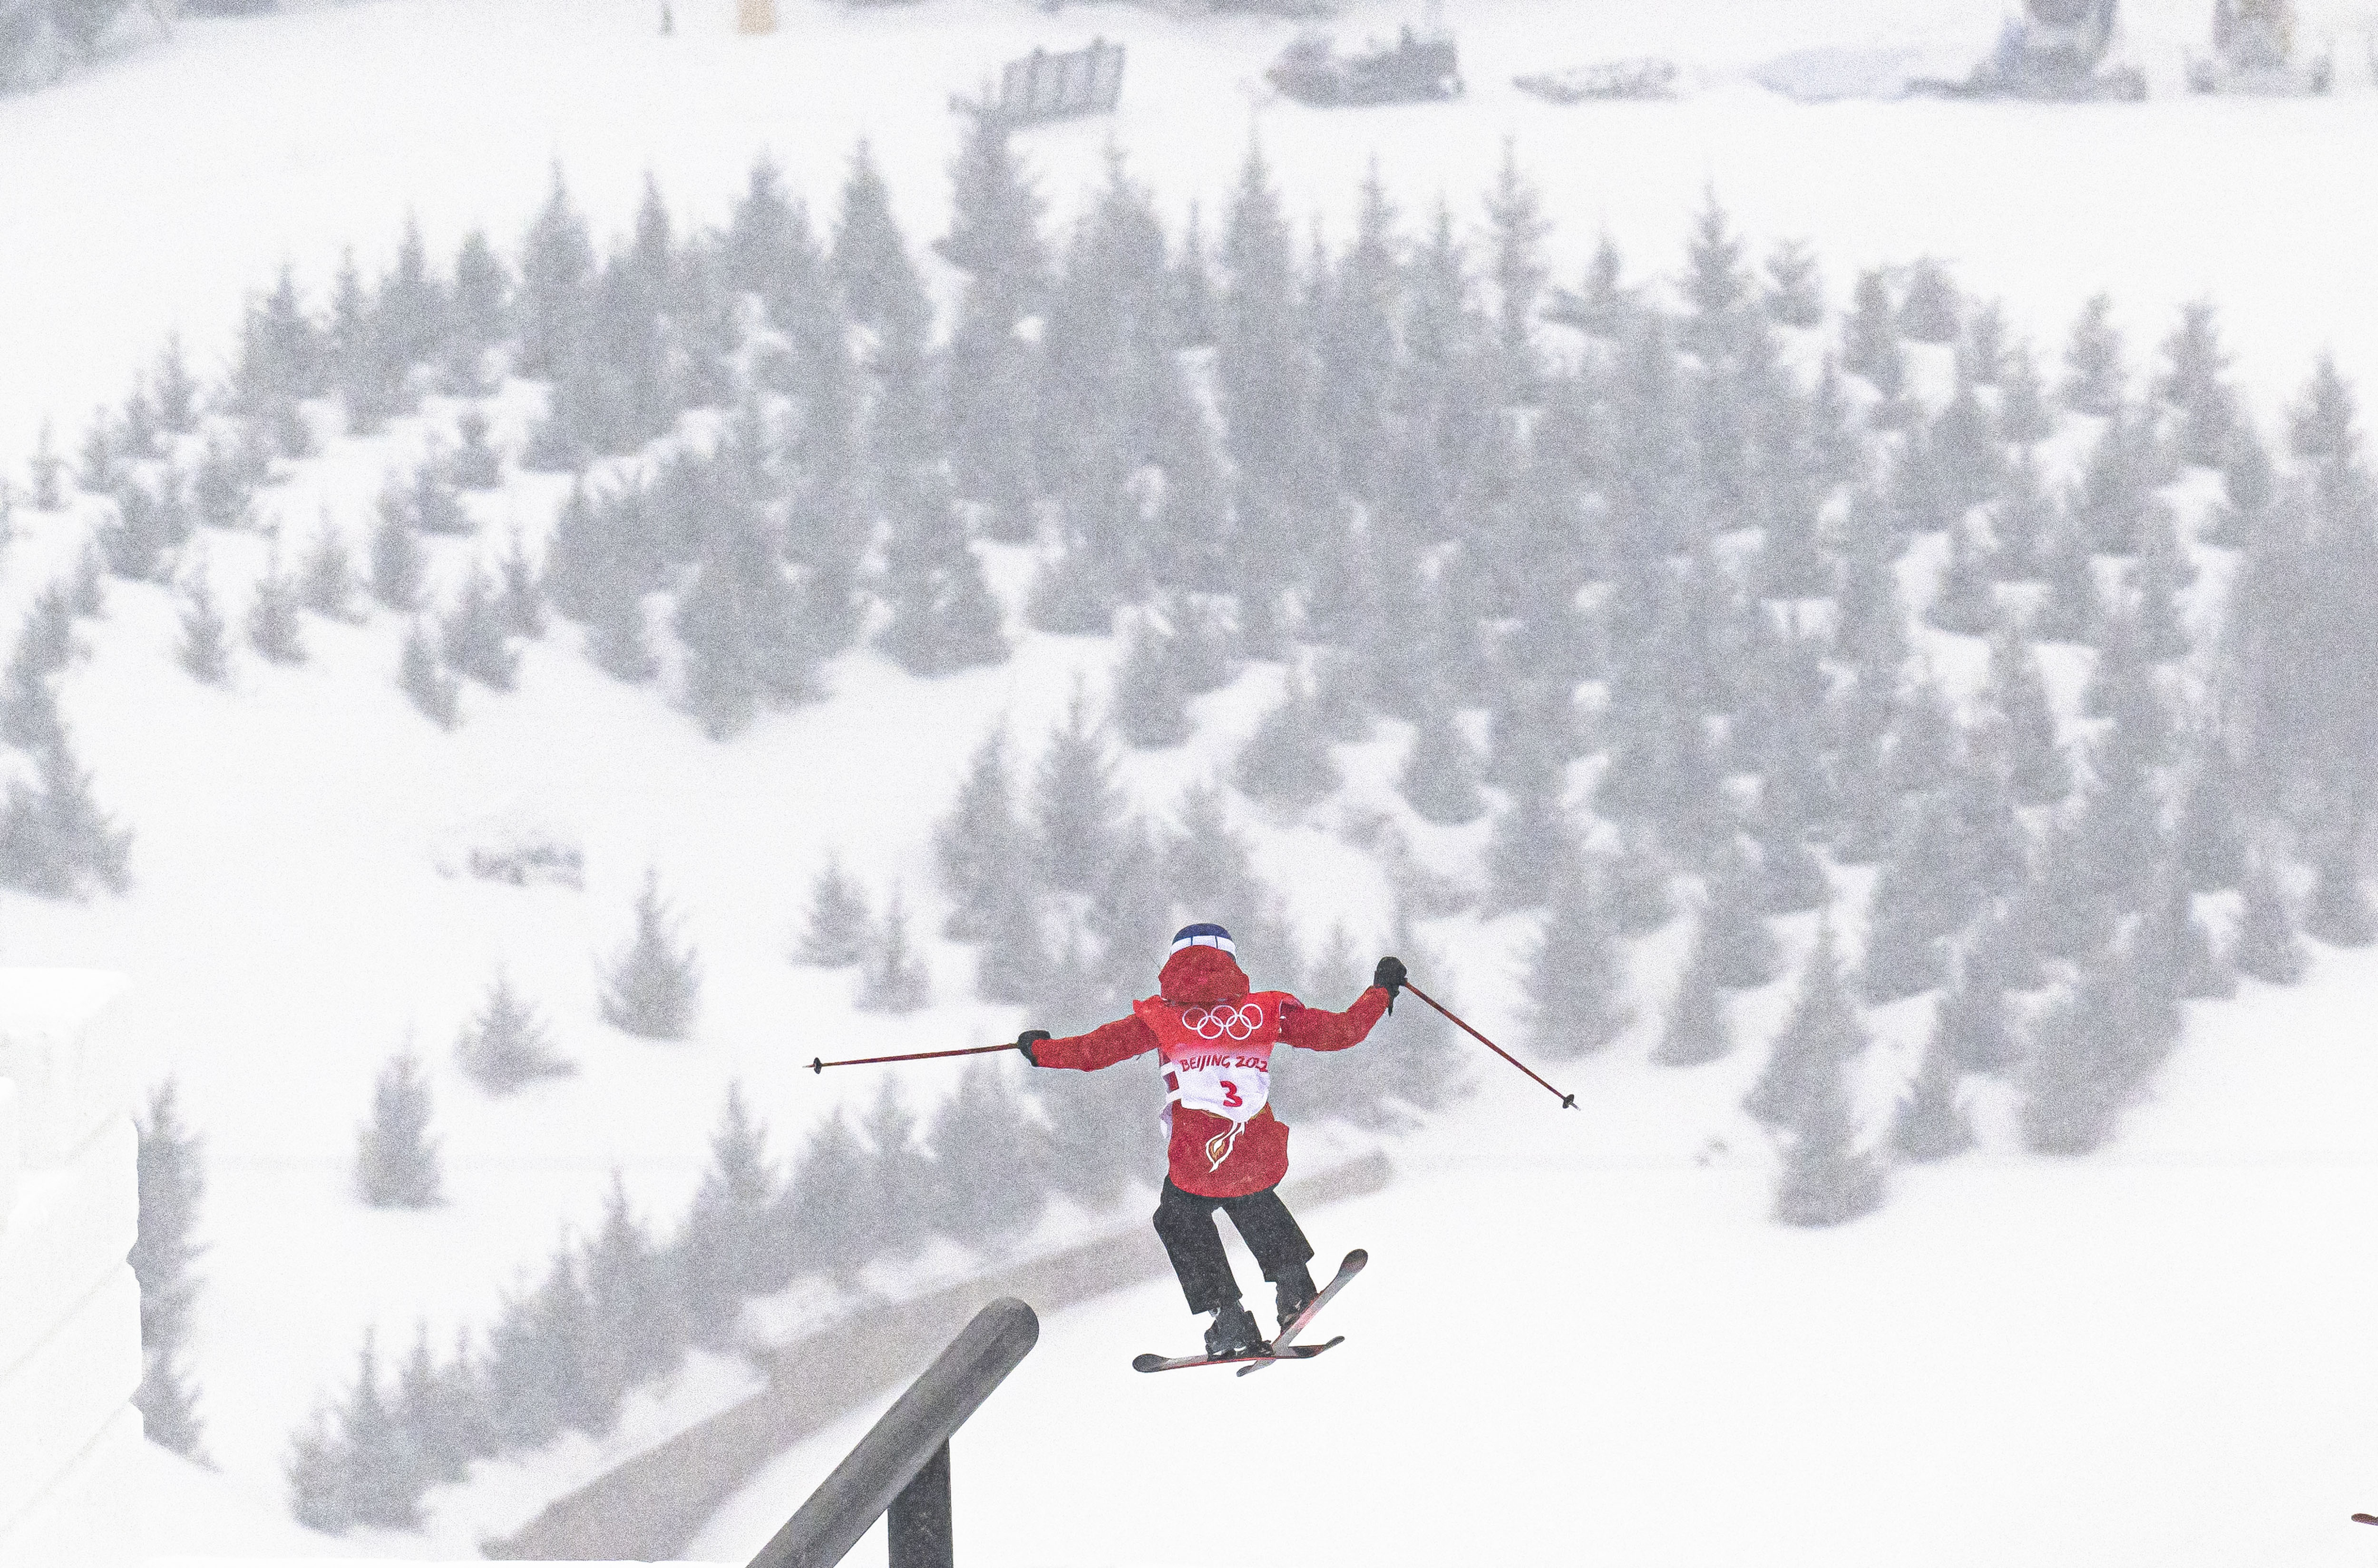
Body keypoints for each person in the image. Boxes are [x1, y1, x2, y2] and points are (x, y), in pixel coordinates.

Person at [1015, 922, 1406, 1359]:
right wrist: (1382, 991)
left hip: (1198, 1159)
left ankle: (1229, 1317)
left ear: (1173, 962)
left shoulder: (1159, 1019)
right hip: (1257, 1148)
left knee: (1178, 1215)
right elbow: (1342, 1032)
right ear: (1231, 961)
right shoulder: (1265, 1011)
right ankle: (1294, 1286)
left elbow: (1092, 1051)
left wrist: (1040, 1050)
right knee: (1251, 1191)